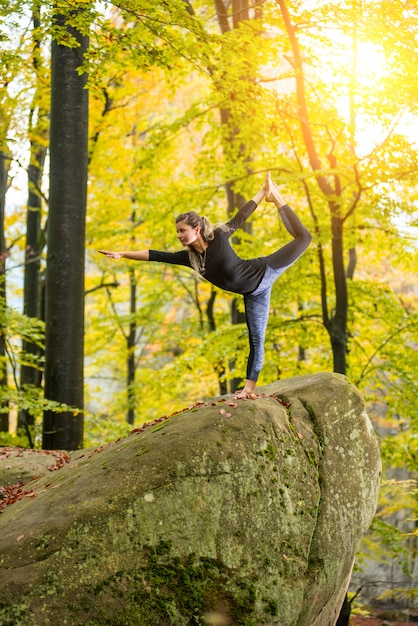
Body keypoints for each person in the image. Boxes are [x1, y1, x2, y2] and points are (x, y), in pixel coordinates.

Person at [98, 173, 312, 397]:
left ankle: (276, 198)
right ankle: (248, 390)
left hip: (265, 270)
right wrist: (122, 254)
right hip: (255, 293)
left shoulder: (219, 236)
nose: (179, 235)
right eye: (178, 232)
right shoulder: (190, 259)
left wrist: (262, 192)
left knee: (304, 238)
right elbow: (155, 255)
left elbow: (241, 216)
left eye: (183, 230)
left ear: (196, 229)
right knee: (256, 339)